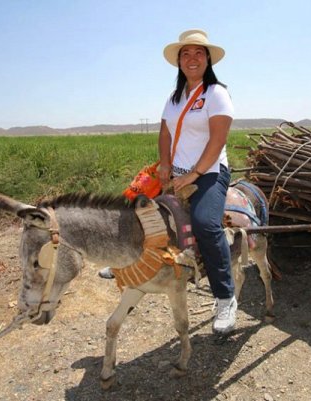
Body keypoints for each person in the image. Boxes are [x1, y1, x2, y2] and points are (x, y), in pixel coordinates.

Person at [100, 29, 236, 334]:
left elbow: (217, 140)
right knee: (135, 209)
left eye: (198, 53)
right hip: (175, 172)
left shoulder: (216, 93)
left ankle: (226, 298)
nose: (192, 58)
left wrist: (194, 174)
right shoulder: (175, 98)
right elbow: (165, 133)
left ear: (208, 59)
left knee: (205, 224)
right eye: (185, 53)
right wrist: (164, 164)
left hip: (210, 172)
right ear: (178, 61)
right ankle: (123, 264)